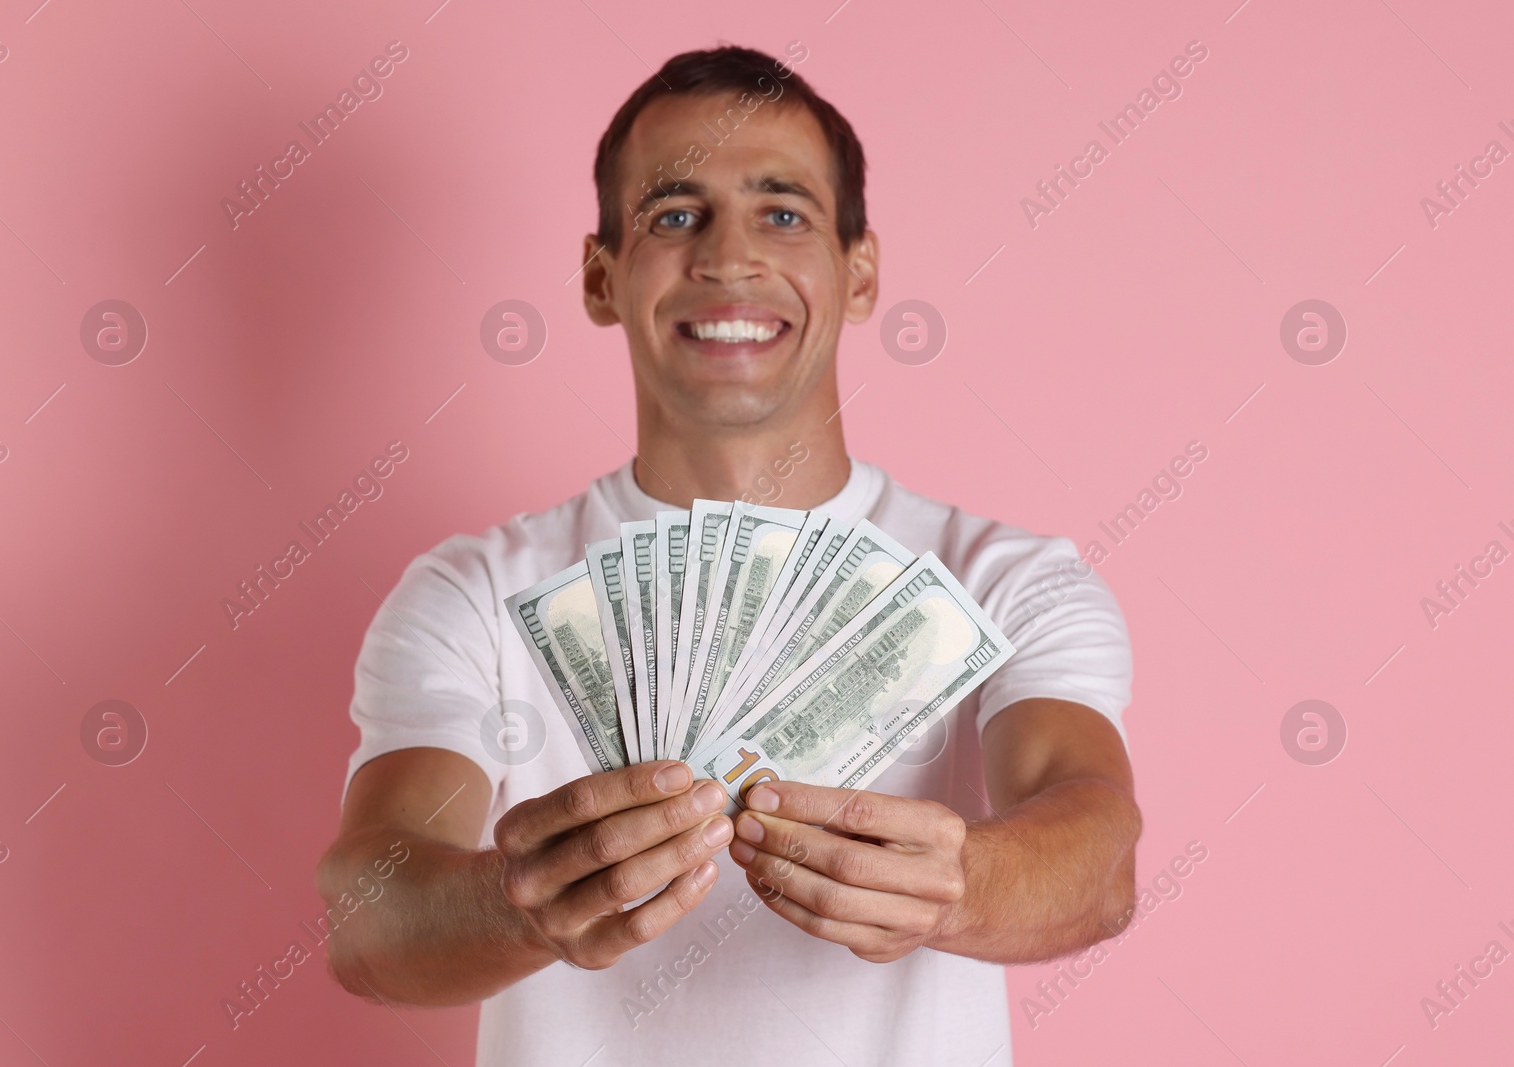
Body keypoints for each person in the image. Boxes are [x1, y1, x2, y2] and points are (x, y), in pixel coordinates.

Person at [317, 44, 1141, 1066]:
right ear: (599, 277)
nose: (726, 257)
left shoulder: (1008, 582)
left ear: (861, 270)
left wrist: (963, 880)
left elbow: (1097, 853)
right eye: (673, 214)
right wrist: (517, 903)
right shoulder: (472, 593)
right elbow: (367, 916)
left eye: (782, 212)